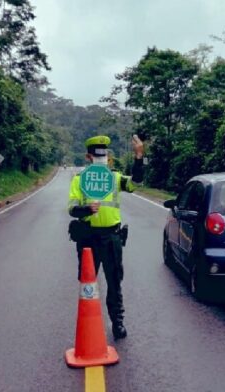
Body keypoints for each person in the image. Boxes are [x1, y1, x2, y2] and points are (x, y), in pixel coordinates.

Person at [67, 134, 144, 339]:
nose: (101, 158)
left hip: (111, 238)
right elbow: (71, 209)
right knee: (87, 282)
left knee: (114, 281)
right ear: (88, 157)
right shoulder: (79, 180)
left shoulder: (115, 178)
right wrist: (85, 209)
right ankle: (88, 323)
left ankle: (117, 322)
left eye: (104, 155)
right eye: (97, 155)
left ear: (108, 158)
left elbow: (136, 183)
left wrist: (138, 157)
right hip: (88, 239)